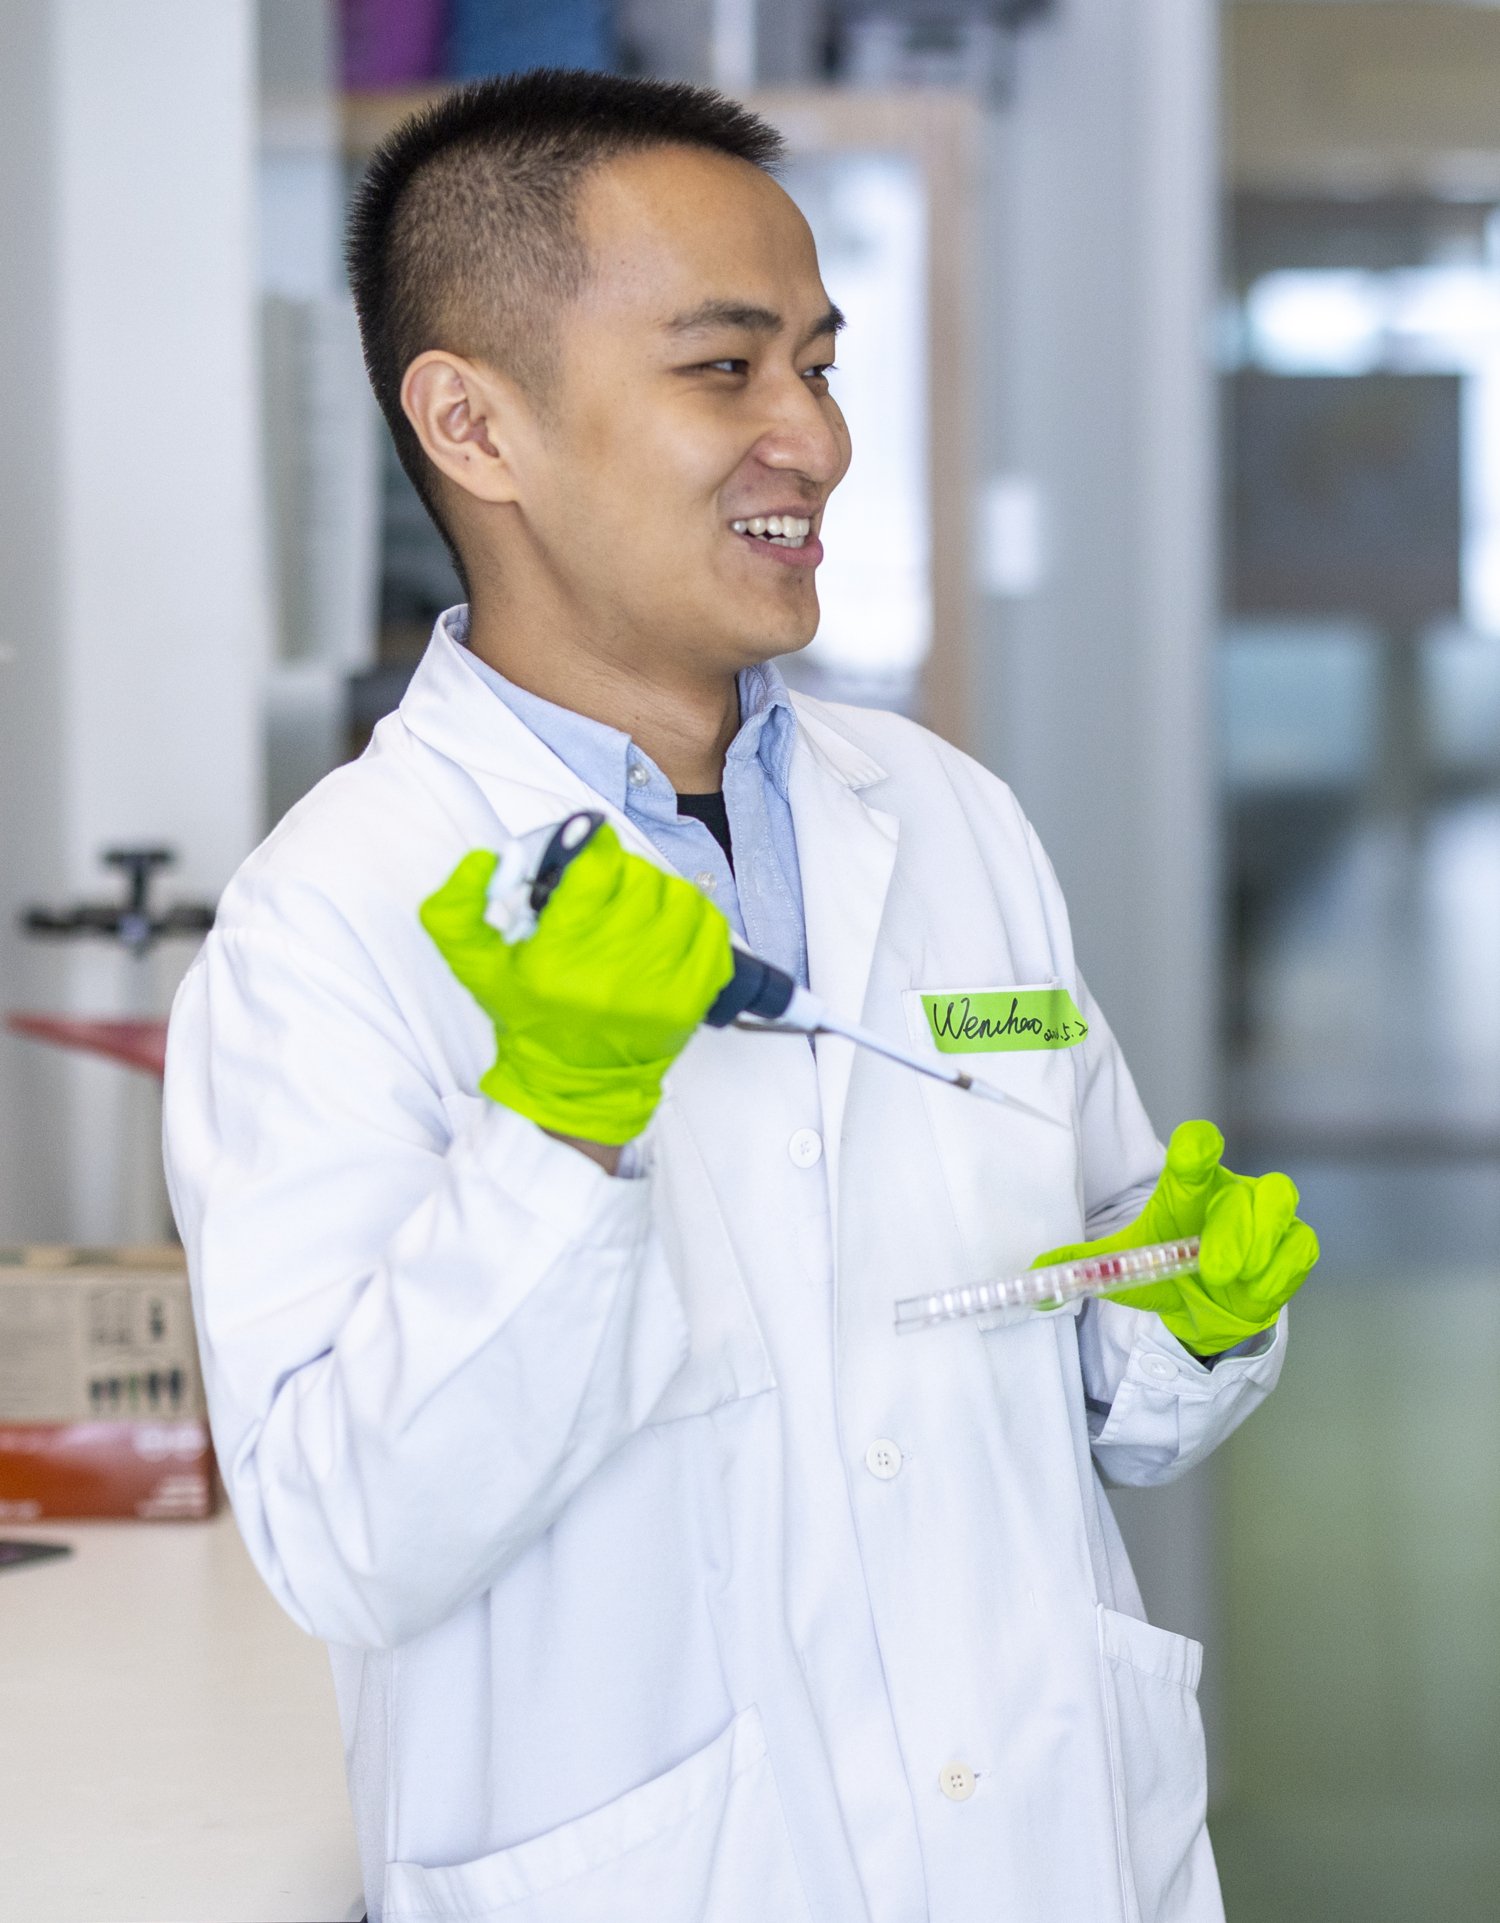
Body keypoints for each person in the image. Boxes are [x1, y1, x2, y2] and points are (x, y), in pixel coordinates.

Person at [163, 69, 1317, 1923]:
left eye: (823, 365)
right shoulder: (334, 919)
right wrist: (558, 1130)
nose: (816, 441)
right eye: (725, 370)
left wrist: (1178, 1320)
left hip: (1049, 1848)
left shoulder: (940, 815)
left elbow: (1082, 1360)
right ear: (475, 423)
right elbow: (350, 1544)